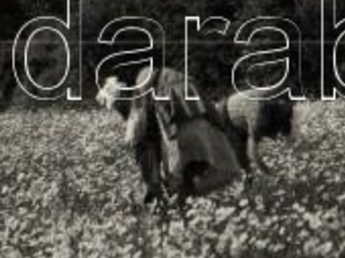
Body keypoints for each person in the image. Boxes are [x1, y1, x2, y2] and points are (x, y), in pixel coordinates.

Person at [98, 66, 242, 206]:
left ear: (123, 96)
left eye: (118, 106)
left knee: (179, 179)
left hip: (184, 126)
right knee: (217, 170)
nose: (120, 111)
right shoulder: (161, 80)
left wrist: (152, 184)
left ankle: (184, 207)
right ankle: (202, 205)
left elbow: (143, 144)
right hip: (201, 117)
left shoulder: (141, 100)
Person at [215, 89, 297, 176]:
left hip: (242, 104)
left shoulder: (283, 109)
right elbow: (252, 154)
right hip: (226, 113)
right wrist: (270, 174)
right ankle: (248, 178)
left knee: (279, 125)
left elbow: (289, 136)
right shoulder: (259, 118)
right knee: (240, 149)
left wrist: (294, 158)